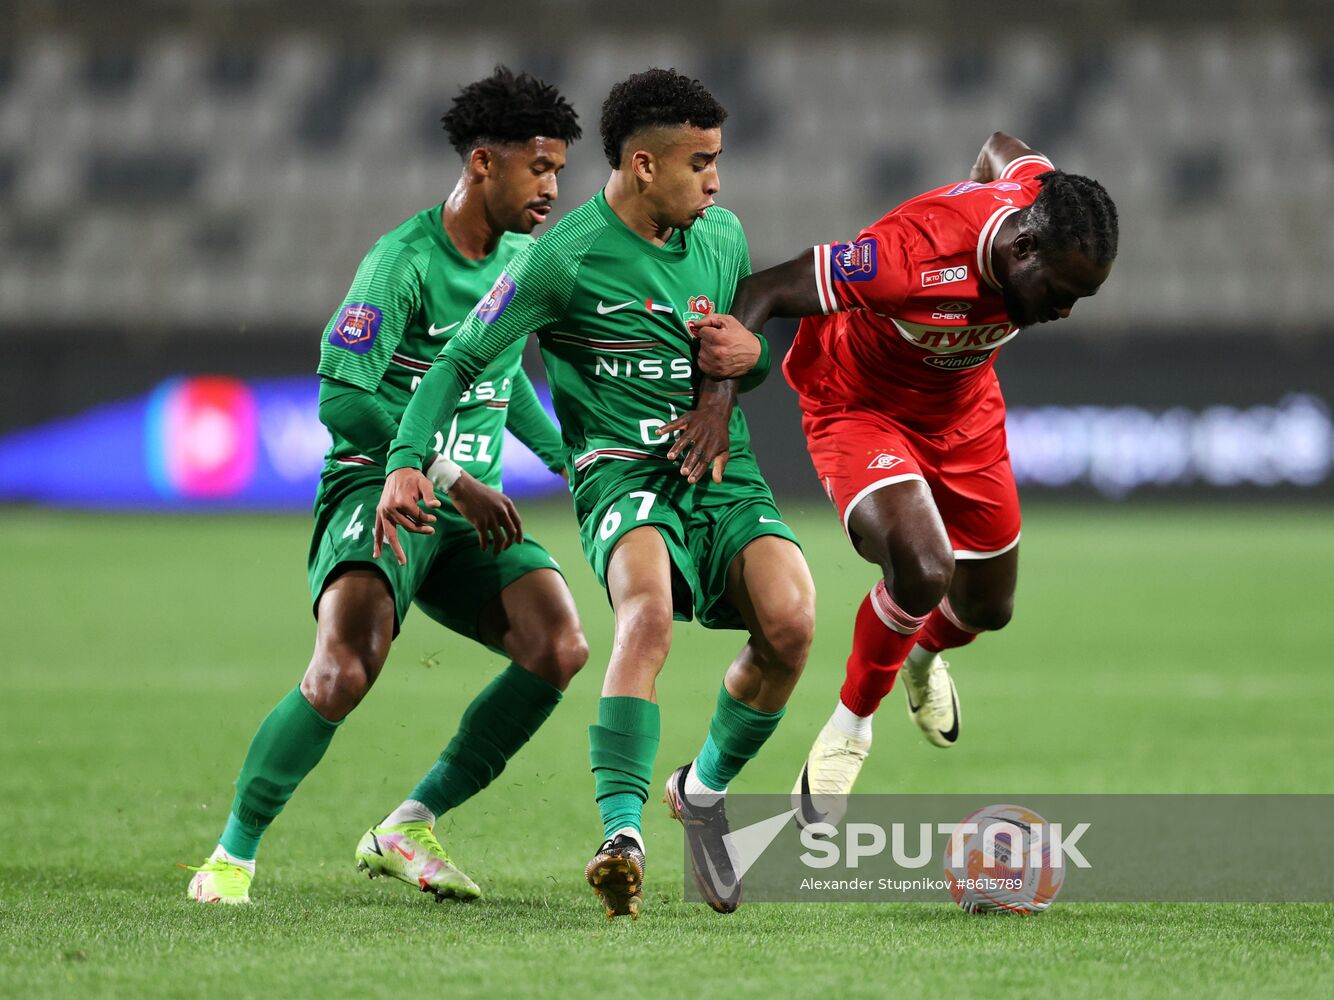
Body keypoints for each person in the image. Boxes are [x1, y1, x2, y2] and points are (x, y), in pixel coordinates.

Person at [375, 68, 817, 920]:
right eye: (701, 163)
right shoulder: (561, 258)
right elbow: (459, 361)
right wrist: (406, 456)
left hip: (721, 474)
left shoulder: (720, 237)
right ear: (644, 165)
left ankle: (702, 789)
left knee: (792, 625)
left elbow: (735, 362)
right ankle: (623, 836)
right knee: (645, 613)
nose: (716, 181)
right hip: (621, 472)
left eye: (719, 161)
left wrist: (746, 369)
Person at [186, 67, 588, 905]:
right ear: (483, 163)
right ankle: (230, 858)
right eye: (538, 168)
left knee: (559, 647)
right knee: (344, 670)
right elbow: (342, 397)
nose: (553, 188)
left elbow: (499, 379)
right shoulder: (400, 263)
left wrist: (568, 460)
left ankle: (407, 824)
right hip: (382, 493)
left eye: (558, 170)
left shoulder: (524, 260)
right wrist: (442, 473)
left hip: (464, 512)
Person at [690, 132, 1118, 825]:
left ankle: (920, 655)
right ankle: (849, 728)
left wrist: (975, 185)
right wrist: (716, 400)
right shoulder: (910, 258)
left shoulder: (1039, 197)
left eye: (1082, 298)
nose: (1064, 311)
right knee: (923, 567)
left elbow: (1000, 146)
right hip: (859, 406)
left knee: (986, 607)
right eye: (1062, 293)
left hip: (964, 410)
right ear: (1022, 251)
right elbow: (763, 289)